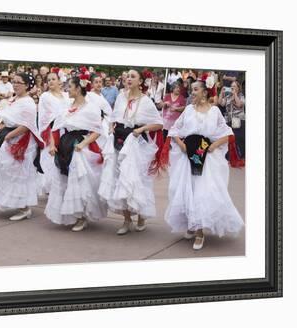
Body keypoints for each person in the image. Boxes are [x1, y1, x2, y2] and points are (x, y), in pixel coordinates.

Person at [162, 79, 244, 250]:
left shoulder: (214, 111)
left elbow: (227, 133)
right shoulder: (189, 110)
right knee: (188, 190)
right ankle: (192, 226)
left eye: (196, 89)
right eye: (191, 90)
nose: (192, 92)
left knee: (202, 192)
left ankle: (200, 233)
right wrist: (181, 144)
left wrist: (214, 145)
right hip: (188, 155)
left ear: (205, 92)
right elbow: (174, 129)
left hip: (206, 156)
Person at [98, 69, 164, 235]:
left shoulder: (146, 101)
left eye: (133, 76)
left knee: (136, 180)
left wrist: (141, 128)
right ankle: (127, 219)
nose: (128, 79)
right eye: (127, 76)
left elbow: (158, 124)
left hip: (136, 143)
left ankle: (141, 215)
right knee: (118, 178)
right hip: (118, 140)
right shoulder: (121, 97)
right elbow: (113, 117)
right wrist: (112, 127)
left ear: (141, 81)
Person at [44, 72, 107, 231]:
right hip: (65, 145)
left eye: (70, 87)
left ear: (78, 89)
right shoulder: (66, 108)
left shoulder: (91, 108)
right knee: (65, 180)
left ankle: (81, 216)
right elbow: (55, 128)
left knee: (79, 181)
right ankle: (72, 214)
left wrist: (83, 143)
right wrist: (52, 145)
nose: (67, 90)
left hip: (80, 147)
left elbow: (97, 130)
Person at [0, 73, 43, 221]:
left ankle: (24, 207)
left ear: (27, 85)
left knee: (18, 173)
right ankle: (18, 204)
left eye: (19, 83)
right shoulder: (14, 99)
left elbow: (26, 126)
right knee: (7, 172)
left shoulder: (28, 103)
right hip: (9, 137)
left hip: (20, 141)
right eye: (13, 82)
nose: (15, 85)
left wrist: (7, 136)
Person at [37, 68, 72, 194]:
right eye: (48, 80)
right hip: (52, 130)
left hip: (67, 130)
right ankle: (51, 187)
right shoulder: (45, 96)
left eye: (53, 79)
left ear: (59, 81)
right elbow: (46, 115)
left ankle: (64, 184)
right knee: (51, 158)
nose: (51, 81)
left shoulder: (67, 96)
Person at [220, 81, 245, 158]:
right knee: (230, 139)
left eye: (234, 86)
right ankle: (231, 156)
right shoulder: (227, 97)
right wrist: (221, 93)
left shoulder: (241, 96)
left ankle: (239, 155)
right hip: (228, 120)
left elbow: (239, 104)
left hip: (238, 120)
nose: (232, 87)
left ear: (238, 88)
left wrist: (235, 94)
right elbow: (221, 103)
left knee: (238, 138)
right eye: (231, 86)